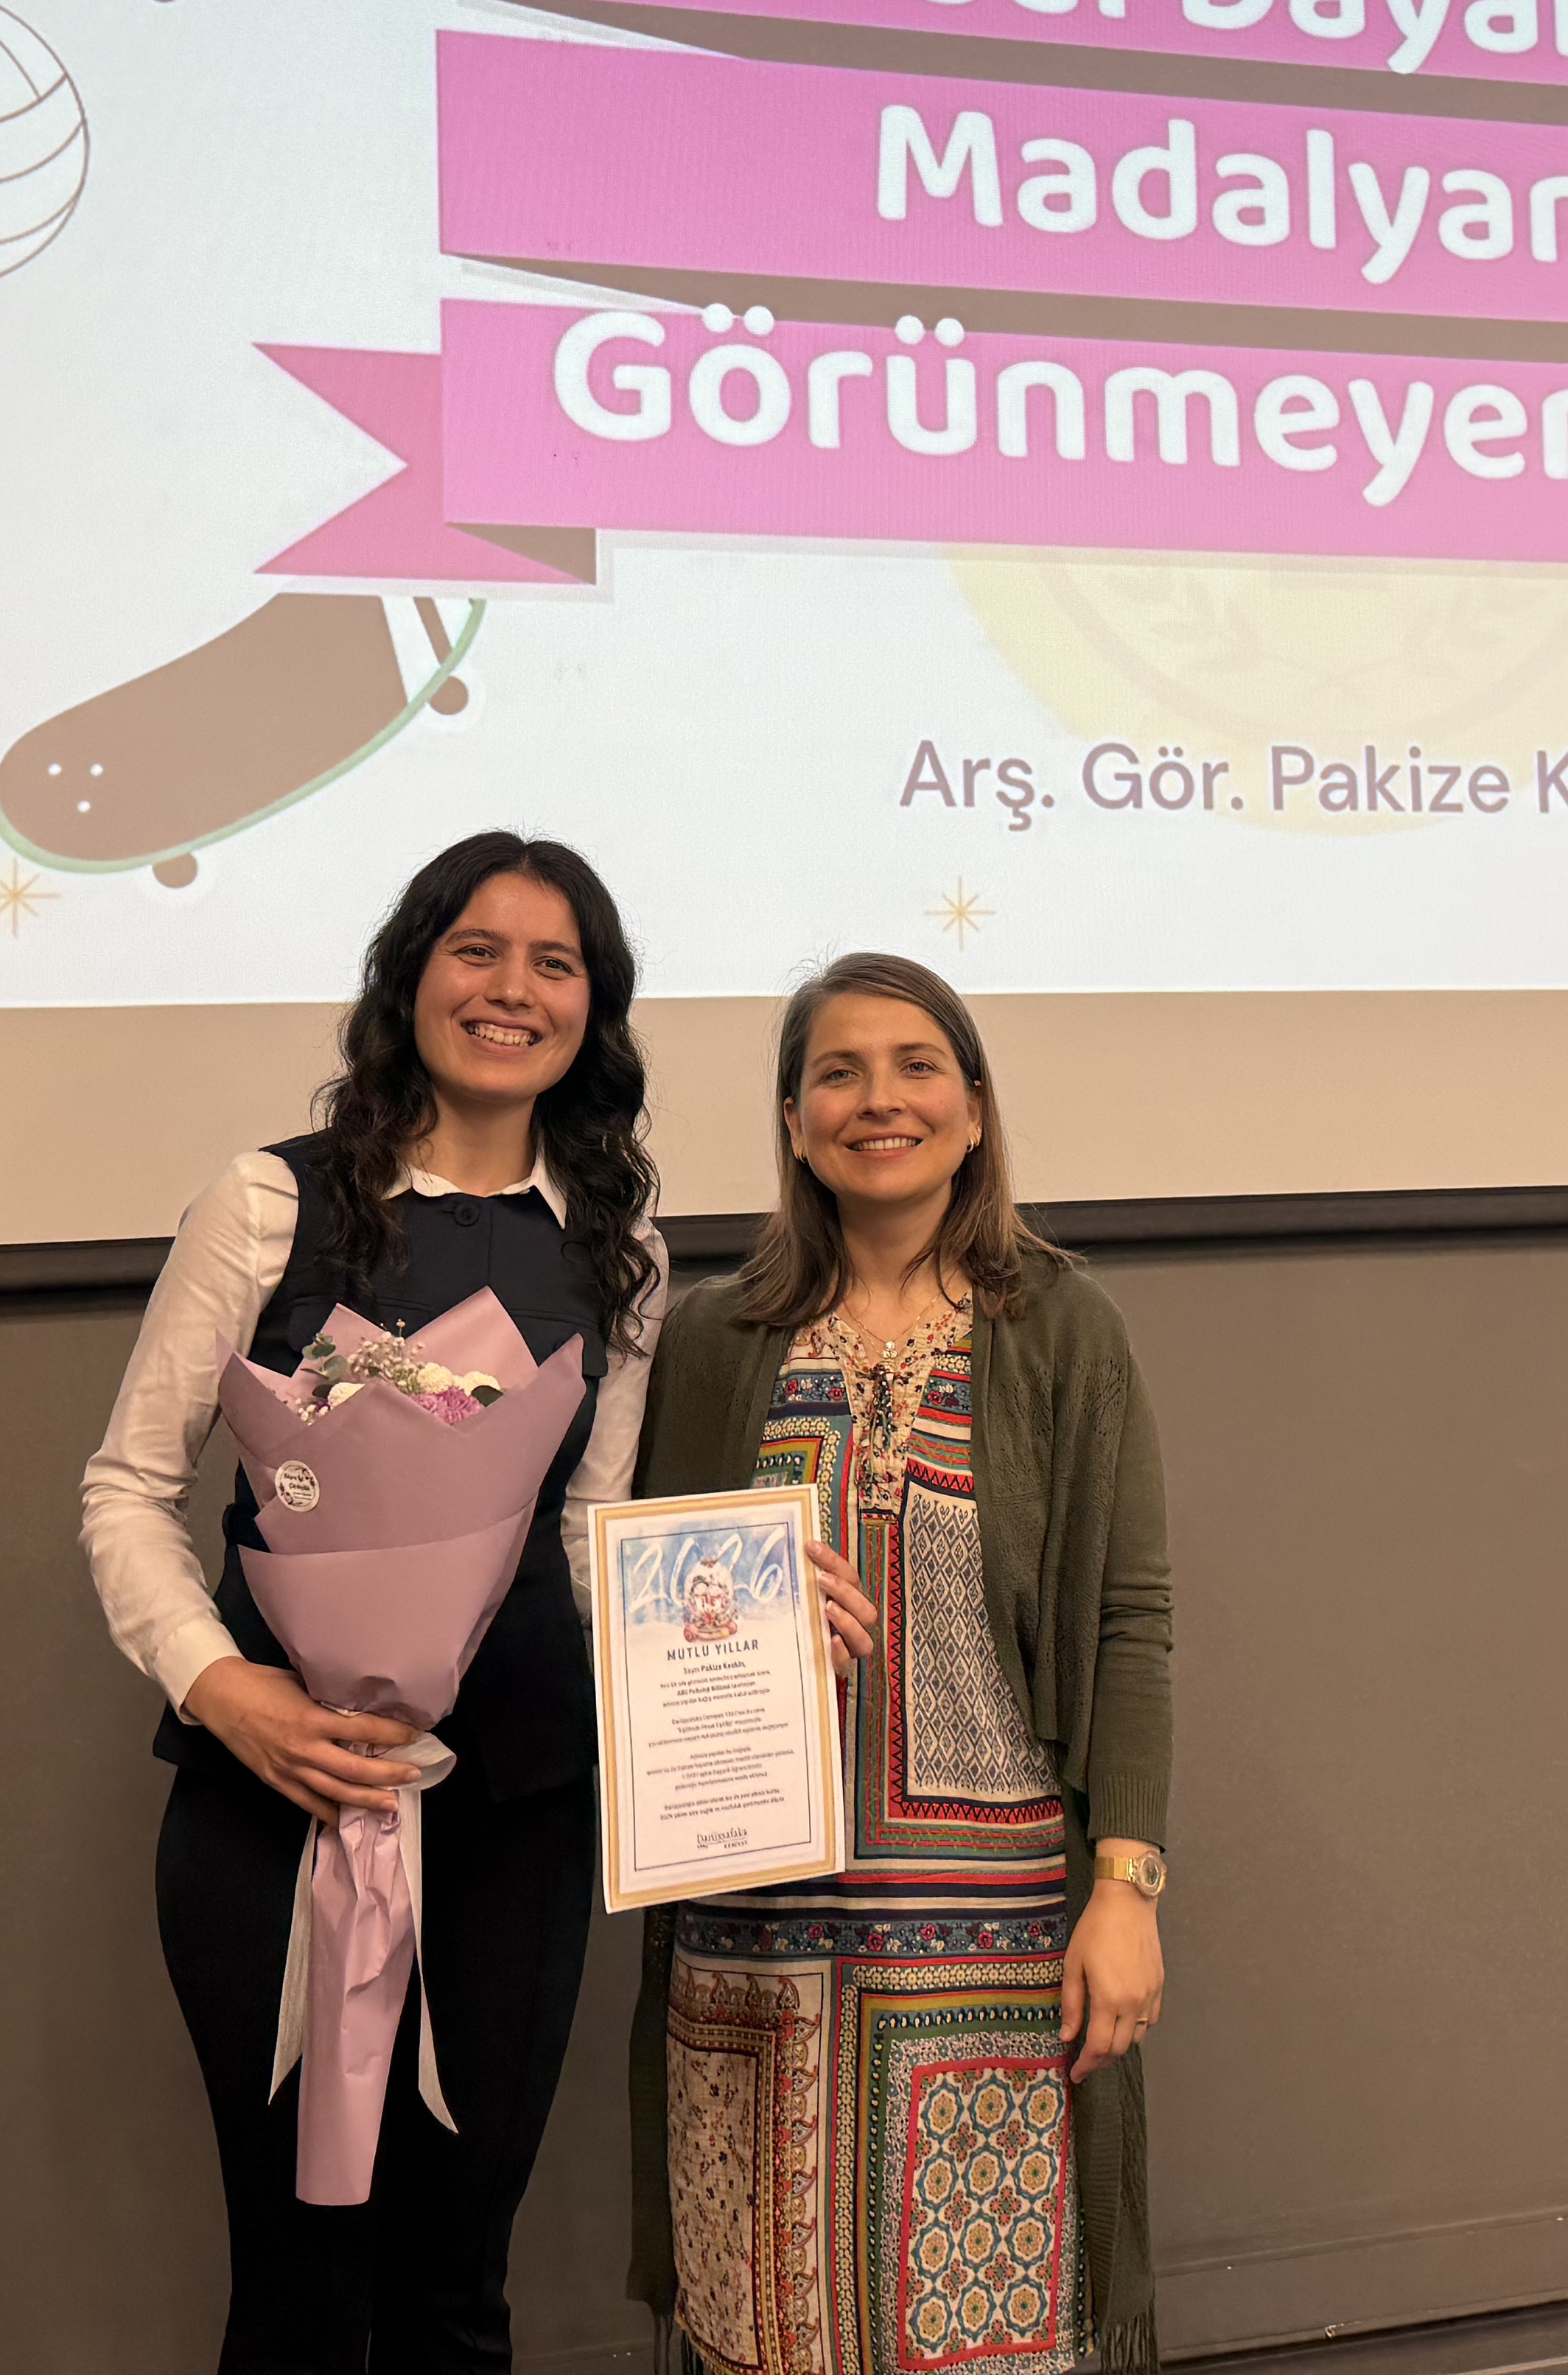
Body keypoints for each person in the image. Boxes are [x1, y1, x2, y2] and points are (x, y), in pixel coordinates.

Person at [82, 833, 665, 2375]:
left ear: (593, 1010)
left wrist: (736, 1623)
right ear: (411, 973)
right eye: (477, 949)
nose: (512, 988)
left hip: (514, 1815)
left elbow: (589, 1535)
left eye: (555, 963)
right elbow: (127, 1488)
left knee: (455, 2294)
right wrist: (226, 1691)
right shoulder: (266, 1204)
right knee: (299, 2292)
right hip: (272, 1801)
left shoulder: (622, 1254)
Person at [628, 954, 1172, 2375]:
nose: (881, 1099)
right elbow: (641, 1629)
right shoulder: (712, 1342)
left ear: (975, 1110)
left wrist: (1125, 1888)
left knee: (991, 2336)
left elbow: (1128, 1624)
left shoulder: (1061, 1331)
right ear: (794, 1120)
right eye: (840, 1072)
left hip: (995, 1943)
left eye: (917, 1066)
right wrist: (732, 1618)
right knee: (768, 2332)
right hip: (754, 1948)